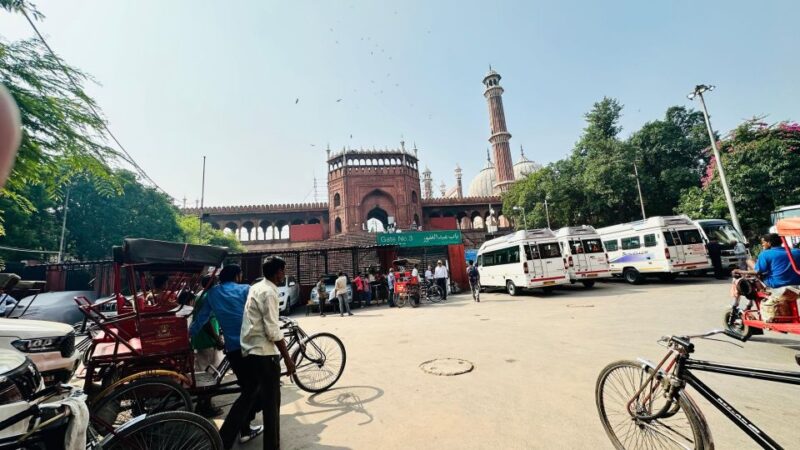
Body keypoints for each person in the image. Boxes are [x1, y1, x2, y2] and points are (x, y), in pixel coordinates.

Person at [189, 265, 263, 448]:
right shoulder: (246, 289)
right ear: (237, 276)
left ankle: (244, 428)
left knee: (249, 388)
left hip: (233, 350)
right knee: (254, 390)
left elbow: (201, 319)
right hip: (251, 347)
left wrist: (188, 337)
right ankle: (231, 434)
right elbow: (258, 314)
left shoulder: (212, 294)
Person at [239, 257, 296, 450]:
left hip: (250, 349)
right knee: (271, 405)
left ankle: (223, 437)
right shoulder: (270, 292)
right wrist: (288, 360)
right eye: (283, 270)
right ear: (277, 272)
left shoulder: (256, 286)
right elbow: (272, 331)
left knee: (248, 399)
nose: (284, 274)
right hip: (264, 354)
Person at [733, 233, 800, 321]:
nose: (762, 244)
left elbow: (757, 272)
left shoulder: (765, 254)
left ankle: (753, 302)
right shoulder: (796, 251)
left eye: (763, 242)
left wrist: (739, 271)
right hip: (796, 283)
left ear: (769, 243)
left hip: (776, 284)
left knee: (749, 262)